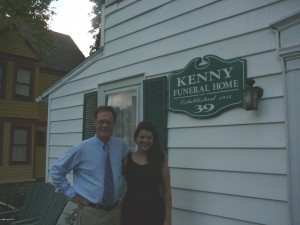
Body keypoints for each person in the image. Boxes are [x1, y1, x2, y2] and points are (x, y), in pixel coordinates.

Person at [50, 106, 130, 225]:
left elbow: (136, 154)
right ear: (95, 123)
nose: (105, 125)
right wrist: (71, 194)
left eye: (109, 122)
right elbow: (56, 171)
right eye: (101, 121)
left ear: (114, 124)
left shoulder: (120, 146)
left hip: (115, 212)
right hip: (91, 213)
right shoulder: (81, 148)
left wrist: (156, 153)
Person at [121, 121, 172, 225]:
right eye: (142, 137)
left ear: (153, 140)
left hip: (155, 212)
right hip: (130, 212)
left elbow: (167, 192)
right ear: (136, 138)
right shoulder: (126, 159)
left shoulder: (160, 161)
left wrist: (168, 219)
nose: (145, 140)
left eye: (149, 138)